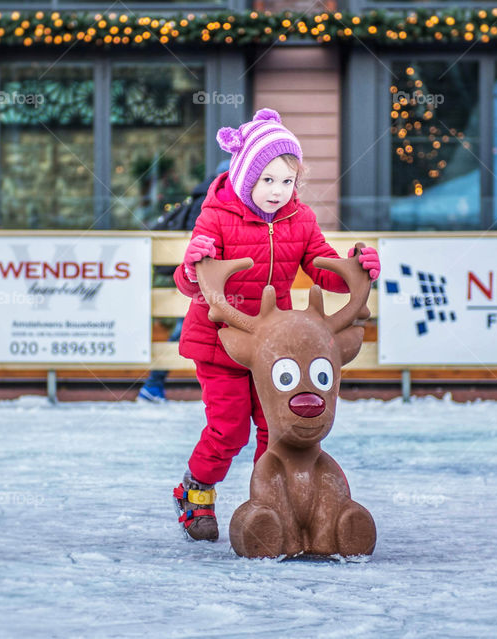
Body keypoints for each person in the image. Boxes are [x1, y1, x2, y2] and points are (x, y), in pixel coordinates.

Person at [171, 108, 381, 541]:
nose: (277, 192)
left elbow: (321, 266)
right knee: (229, 429)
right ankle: (195, 491)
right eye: (267, 180)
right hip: (220, 342)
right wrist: (194, 266)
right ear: (246, 177)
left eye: (287, 182)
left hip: (275, 347)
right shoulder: (215, 218)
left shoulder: (299, 219)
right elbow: (189, 282)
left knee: (275, 428)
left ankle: (269, 503)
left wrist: (354, 268)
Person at [138, 159, 231, 403]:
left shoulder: (202, 196)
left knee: (189, 328)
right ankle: (153, 384)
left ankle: (154, 385)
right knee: (186, 328)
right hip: (198, 278)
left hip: (195, 276)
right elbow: (200, 239)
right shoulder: (210, 201)